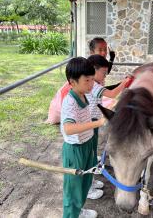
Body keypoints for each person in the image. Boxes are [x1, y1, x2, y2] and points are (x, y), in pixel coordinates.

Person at [61, 57, 105, 218]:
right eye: (87, 80)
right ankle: (71, 215)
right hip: (75, 151)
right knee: (73, 189)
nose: (91, 84)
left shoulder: (83, 94)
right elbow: (68, 128)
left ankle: (78, 211)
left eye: (93, 79)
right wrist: (97, 123)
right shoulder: (70, 102)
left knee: (85, 183)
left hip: (86, 146)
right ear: (72, 82)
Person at [85, 55, 130, 198]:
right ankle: (87, 188)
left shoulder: (93, 83)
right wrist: (125, 83)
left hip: (93, 121)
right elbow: (111, 94)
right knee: (87, 155)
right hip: (89, 123)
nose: (105, 75)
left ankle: (90, 181)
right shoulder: (93, 85)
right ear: (93, 70)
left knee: (92, 152)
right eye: (104, 73)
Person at [46, 37, 116, 124]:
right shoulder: (90, 66)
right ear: (92, 52)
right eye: (100, 50)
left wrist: (112, 58)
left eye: (105, 49)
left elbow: (105, 71)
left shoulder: (99, 64)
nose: (104, 52)